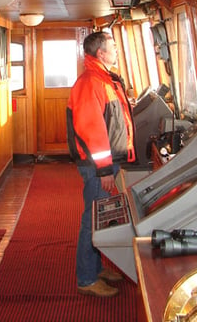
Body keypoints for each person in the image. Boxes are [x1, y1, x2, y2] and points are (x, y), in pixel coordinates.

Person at [66, 31, 136, 298]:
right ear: (101, 54)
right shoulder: (90, 82)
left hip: (107, 163)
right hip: (98, 167)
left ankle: (95, 268)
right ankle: (85, 278)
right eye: (113, 47)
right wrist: (105, 169)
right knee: (92, 220)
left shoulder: (105, 79)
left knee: (100, 217)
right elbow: (92, 131)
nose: (117, 50)